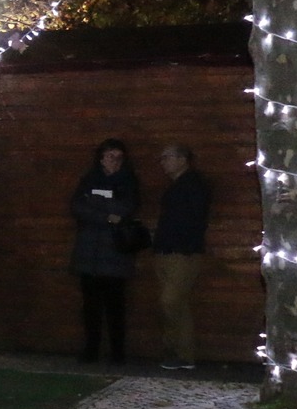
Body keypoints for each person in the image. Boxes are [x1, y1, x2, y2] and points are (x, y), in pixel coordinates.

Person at [70, 138, 140, 365]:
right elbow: (78, 208)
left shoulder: (129, 181)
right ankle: (91, 350)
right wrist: (107, 215)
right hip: (89, 254)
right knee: (90, 306)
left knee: (115, 307)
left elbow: (125, 209)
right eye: (111, 157)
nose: (115, 161)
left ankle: (117, 353)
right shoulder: (89, 179)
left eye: (119, 157)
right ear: (101, 158)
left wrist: (96, 204)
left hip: (115, 255)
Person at [154, 144, 210, 370]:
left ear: (183, 159)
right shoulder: (176, 186)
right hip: (167, 250)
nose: (163, 162)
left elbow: (191, 219)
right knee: (178, 305)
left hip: (183, 252)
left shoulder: (195, 185)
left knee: (170, 301)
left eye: (167, 157)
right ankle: (182, 354)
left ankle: (176, 350)